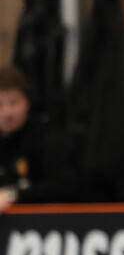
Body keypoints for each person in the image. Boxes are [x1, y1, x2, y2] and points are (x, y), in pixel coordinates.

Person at [0, 64, 77, 213]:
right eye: (0, 104)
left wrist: (11, 195)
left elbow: (64, 185)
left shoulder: (47, 137)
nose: (7, 112)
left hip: (45, 221)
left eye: (13, 103)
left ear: (27, 102)